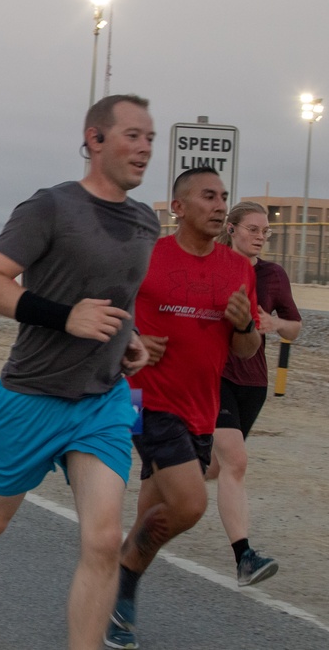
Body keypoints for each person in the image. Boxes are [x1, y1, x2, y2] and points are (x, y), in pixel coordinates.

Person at [0, 94, 159, 650]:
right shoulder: (51, 207)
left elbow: (119, 295)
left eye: (150, 137)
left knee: (103, 541)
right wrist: (66, 317)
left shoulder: (146, 220)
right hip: (33, 395)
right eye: (132, 135)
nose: (145, 148)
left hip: (101, 401)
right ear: (95, 139)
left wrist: (129, 339)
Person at [105, 167, 262, 649]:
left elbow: (246, 350)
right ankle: (123, 576)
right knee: (190, 503)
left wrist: (241, 327)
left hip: (200, 408)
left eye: (223, 198)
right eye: (208, 197)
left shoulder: (238, 270)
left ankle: (115, 592)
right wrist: (131, 338)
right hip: (139, 399)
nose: (219, 206)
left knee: (154, 507)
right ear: (178, 207)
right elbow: (105, 313)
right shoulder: (146, 256)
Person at [206, 201, 302, 586]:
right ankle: (244, 556)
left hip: (254, 382)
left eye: (266, 231)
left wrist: (273, 321)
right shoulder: (210, 264)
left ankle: (169, 474)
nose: (261, 237)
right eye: (253, 229)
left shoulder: (274, 275)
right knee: (237, 460)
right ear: (231, 229)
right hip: (214, 376)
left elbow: (294, 328)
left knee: (214, 467)